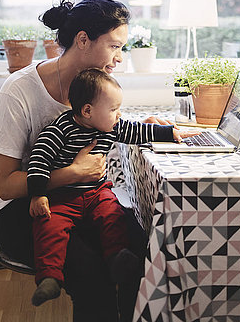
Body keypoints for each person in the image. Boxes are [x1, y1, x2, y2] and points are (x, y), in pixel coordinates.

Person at [0, 0, 198, 322]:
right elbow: (5, 185)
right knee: (92, 276)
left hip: (86, 200)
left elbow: (116, 127)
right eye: (114, 47)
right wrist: (71, 173)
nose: (119, 59)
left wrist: (149, 128)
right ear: (83, 40)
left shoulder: (96, 87)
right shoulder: (20, 90)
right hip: (29, 208)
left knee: (146, 253)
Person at [28, 67, 192, 307]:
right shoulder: (58, 131)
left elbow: (138, 130)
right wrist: (37, 194)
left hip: (96, 193)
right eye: (114, 109)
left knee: (112, 213)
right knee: (48, 226)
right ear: (87, 111)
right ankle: (50, 277)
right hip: (62, 198)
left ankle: (117, 257)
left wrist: (171, 133)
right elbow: (38, 161)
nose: (119, 115)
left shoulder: (110, 126)